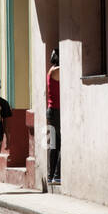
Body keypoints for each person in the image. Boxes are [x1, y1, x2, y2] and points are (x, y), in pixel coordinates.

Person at [46, 48, 61, 185]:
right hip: (56, 111)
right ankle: (56, 175)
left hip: (51, 111)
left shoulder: (51, 70)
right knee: (59, 144)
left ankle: (51, 176)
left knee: (53, 145)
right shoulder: (56, 71)